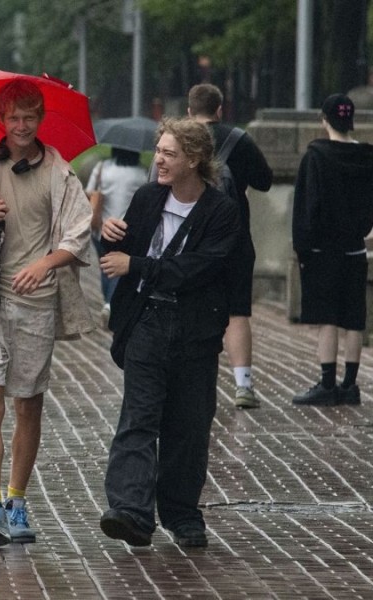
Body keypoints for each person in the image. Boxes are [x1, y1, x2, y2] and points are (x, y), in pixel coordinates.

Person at [0, 78, 94, 547]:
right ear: (1, 120)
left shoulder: (59, 171)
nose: (22, 126)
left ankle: (16, 498)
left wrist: (45, 263)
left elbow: (77, 232)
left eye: (30, 117)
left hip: (36, 302)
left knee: (28, 403)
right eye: (14, 118)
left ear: (41, 119)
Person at [99, 117, 240, 548]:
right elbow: (120, 255)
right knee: (138, 418)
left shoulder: (221, 211)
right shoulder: (146, 198)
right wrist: (109, 237)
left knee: (188, 424)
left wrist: (135, 265)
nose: (158, 159)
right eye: (158, 151)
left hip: (195, 330)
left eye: (168, 153)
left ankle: (182, 514)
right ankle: (131, 512)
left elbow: (199, 268)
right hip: (147, 322)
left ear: (194, 159)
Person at [187, 83, 273, 409]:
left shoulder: (179, 142)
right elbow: (265, 180)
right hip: (235, 239)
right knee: (237, 312)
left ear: (189, 111)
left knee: (193, 308)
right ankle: (243, 386)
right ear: (220, 110)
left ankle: (195, 384)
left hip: (192, 241)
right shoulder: (238, 139)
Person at [291, 94, 373, 406]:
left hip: (322, 249)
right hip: (354, 247)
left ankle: (327, 383)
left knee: (327, 316)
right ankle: (350, 384)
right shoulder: (367, 157)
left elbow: (307, 205)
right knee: (353, 317)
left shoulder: (316, 156)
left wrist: (303, 245)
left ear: (324, 119)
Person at [85, 147, 147, 326]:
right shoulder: (141, 173)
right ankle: (110, 304)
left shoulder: (102, 168)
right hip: (126, 231)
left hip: (100, 228)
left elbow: (89, 192)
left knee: (105, 267)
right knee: (119, 268)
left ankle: (109, 302)